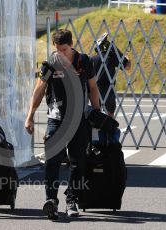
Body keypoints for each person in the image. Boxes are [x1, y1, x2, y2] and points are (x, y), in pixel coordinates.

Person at [25, 29, 100, 220]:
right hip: (56, 119)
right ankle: (51, 200)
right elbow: (39, 90)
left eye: (64, 50)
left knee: (78, 162)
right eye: (57, 50)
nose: (60, 54)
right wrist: (30, 116)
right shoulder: (51, 63)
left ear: (71, 45)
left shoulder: (84, 61)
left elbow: (92, 88)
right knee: (52, 161)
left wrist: (97, 114)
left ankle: (72, 199)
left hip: (79, 119)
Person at [92, 32, 131, 117]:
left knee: (95, 114)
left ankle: (97, 129)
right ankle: (109, 129)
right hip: (109, 89)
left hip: (95, 89)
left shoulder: (92, 59)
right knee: (110, 114)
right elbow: (127, 66)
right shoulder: (110, 58)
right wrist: (126, 57)